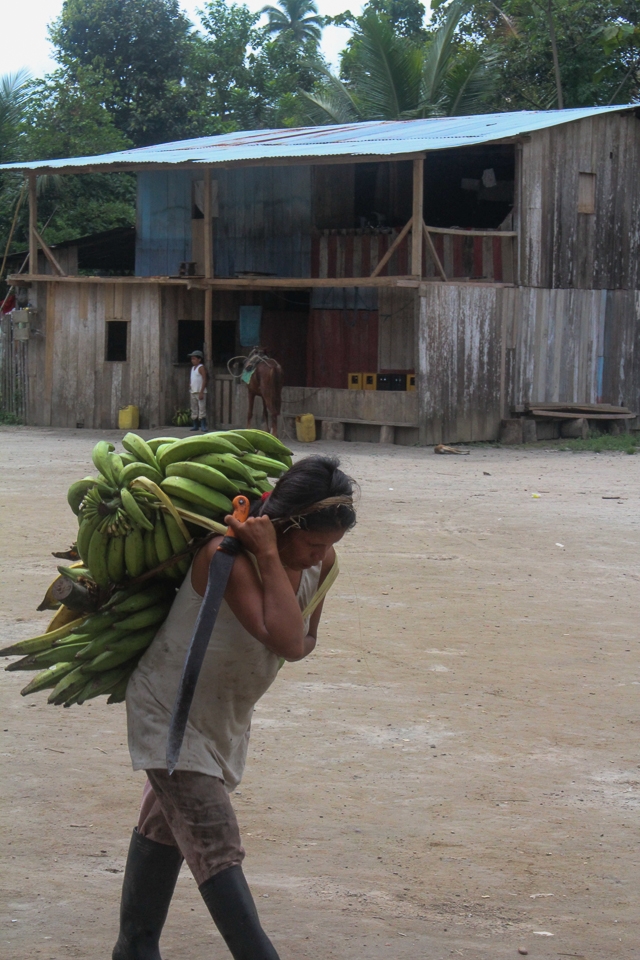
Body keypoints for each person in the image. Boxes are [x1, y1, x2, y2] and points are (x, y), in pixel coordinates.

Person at [113, 455, 357, 960]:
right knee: (215, 843)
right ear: (279, 526)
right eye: (311, 543)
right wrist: (268, 554)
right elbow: (293, 642)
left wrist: (290, 583)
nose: (319, 556)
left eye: (329, 545)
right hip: (171, 714)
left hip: (223, 719)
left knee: (164, 827)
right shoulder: (224, 558)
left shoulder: (321, 564)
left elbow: (300, 634)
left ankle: (134, 949)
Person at [188, 349, 208, 432]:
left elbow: (204, 379)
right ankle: (195, 424)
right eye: (192, 359)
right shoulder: (193, 368)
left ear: (199, 359)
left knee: (202, 408)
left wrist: (201, 391)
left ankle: (203, 425)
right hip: (193, 391)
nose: (192, 360)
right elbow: (192, 379)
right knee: (194, 408)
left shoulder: (201, 367)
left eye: (194, 359)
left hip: (200, 391)